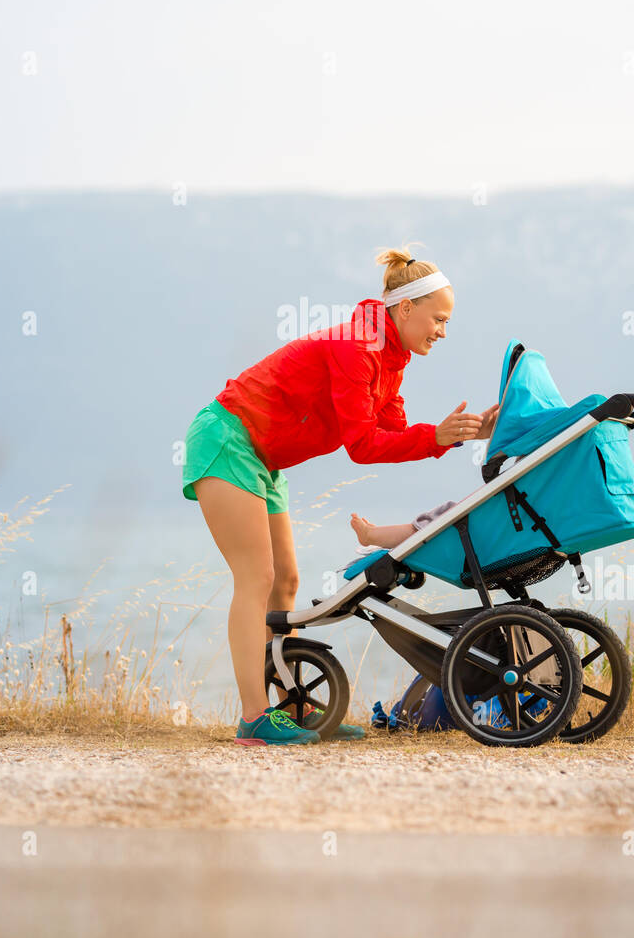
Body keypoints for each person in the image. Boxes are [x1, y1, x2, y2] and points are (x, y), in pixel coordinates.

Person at [181, 245, 499, 747]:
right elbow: (362, 446)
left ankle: (291, 707)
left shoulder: (390, 360)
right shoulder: (357, 348)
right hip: (228, 437)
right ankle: (254, 719)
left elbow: (391, 432)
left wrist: (461, 434)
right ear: (406, 308)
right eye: (439, 319)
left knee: (284, 580)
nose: (443, 331)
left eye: (448, 322)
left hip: (263, 456)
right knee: (256, 577)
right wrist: (437, 437)